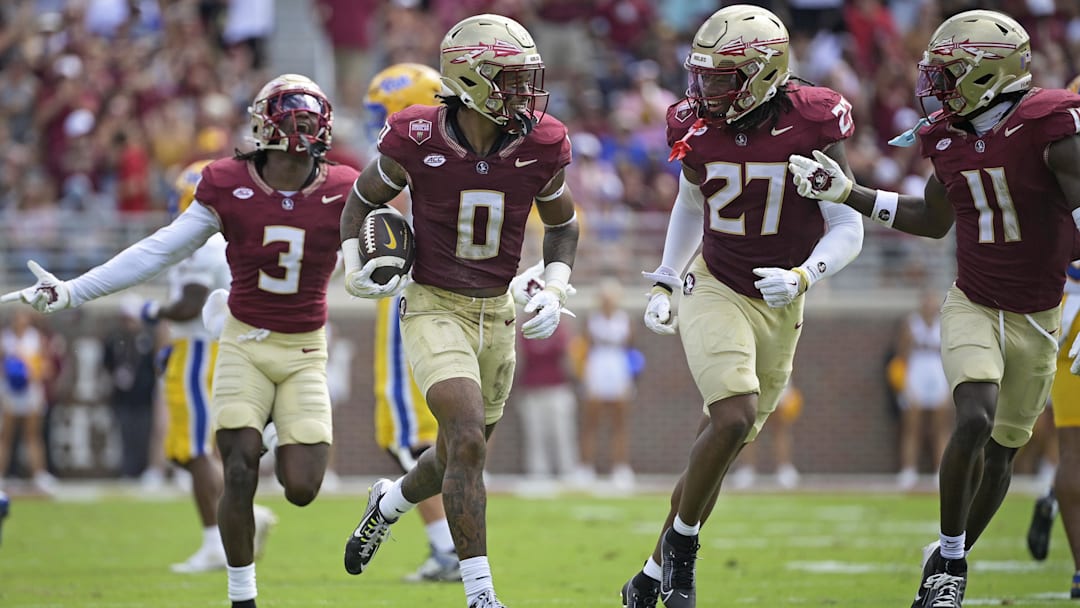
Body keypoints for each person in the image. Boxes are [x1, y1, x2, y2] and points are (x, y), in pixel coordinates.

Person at [2, 73, 353, 608]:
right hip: (243, 343)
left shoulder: (343, 187)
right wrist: (74, 291)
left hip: (305, 348)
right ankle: (243, 597)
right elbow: (158, 249)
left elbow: (384, 255)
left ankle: (284, 435)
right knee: (236, 467)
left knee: (302, 487)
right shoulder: (227, 181)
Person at [787, 10, 1080, 607]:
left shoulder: (1053, 125)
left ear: (988, 73)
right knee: (973, 416)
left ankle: (951, 552)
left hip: (1040, 316)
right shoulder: (946, 137)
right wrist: (849, 193)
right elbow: (932, 219)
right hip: (973, 300)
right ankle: (950, 561)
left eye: (949, 74)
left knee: (1003, 451)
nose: (936, 88)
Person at [621, 6, 864, 607]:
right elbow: (687, 203)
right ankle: (683, 552)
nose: (704, 90)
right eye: (700, 75)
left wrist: (806, 275)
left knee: (723, 441)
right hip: (716, 282)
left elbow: (847, 223)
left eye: (721, 78)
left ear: (764, 73)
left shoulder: (812, 122)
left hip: (782, 299)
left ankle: (650, 577)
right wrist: (666, 278)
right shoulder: (695, 122)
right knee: (732, 416)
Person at [339, 14, 580, 608]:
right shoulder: (416, 137)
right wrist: (352, 265)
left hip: (496, 309)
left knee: (454, 452)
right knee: (467, 438)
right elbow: (359, 202)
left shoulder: (540, 141)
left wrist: (554, 284)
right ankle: (480, 594)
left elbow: (564, 226)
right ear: (469, 80)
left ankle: (389, 503)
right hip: (432, 304)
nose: (523, 93)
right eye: (509, 79)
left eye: (525, 78)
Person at [145, 160, 276, 574]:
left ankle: (216, 544)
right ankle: (244, 516)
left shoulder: (202, 244)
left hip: (200, 352)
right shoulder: (219, 243)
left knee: (195, 449)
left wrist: (148, 310)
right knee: (188, 451)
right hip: (202, 350)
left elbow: (190, 302)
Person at [363, 62, 461, 583]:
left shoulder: (414, 165)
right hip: (447, 304)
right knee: (427, 435)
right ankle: (446, 546)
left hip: (412, 302)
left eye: (384, 112)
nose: (378, 123)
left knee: (408, 434)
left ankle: (447, 548)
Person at [579, 278, 636, 489]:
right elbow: (584, 348)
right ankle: (586, 467)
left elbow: (631, 348)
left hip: (618, 368)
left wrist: (629, 378)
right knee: (590, 422)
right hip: (597, 367)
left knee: (619, 423)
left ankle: (620, 468)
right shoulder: (591, 320)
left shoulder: (625, 320)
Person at [895, 289, 950, 491]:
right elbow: (901, 357)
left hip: (938, 377)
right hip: (915, 377)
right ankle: (908, 470)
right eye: (926, 302)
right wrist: (905, 387)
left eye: (933, 302)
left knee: (940, 428)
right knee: (912, 428)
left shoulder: (944, 325)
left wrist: (949, 389)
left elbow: (950, 357)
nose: (929, 306)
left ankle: (939, 471)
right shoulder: (910, 325)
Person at [0, 309, 57, 494]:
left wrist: (29, 366)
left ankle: (39, 475)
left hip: (30, 392)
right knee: (5, 437)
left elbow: (45, 366)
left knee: (32, 435)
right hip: (10, 392)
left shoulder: (35, 338)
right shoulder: (5, 339)